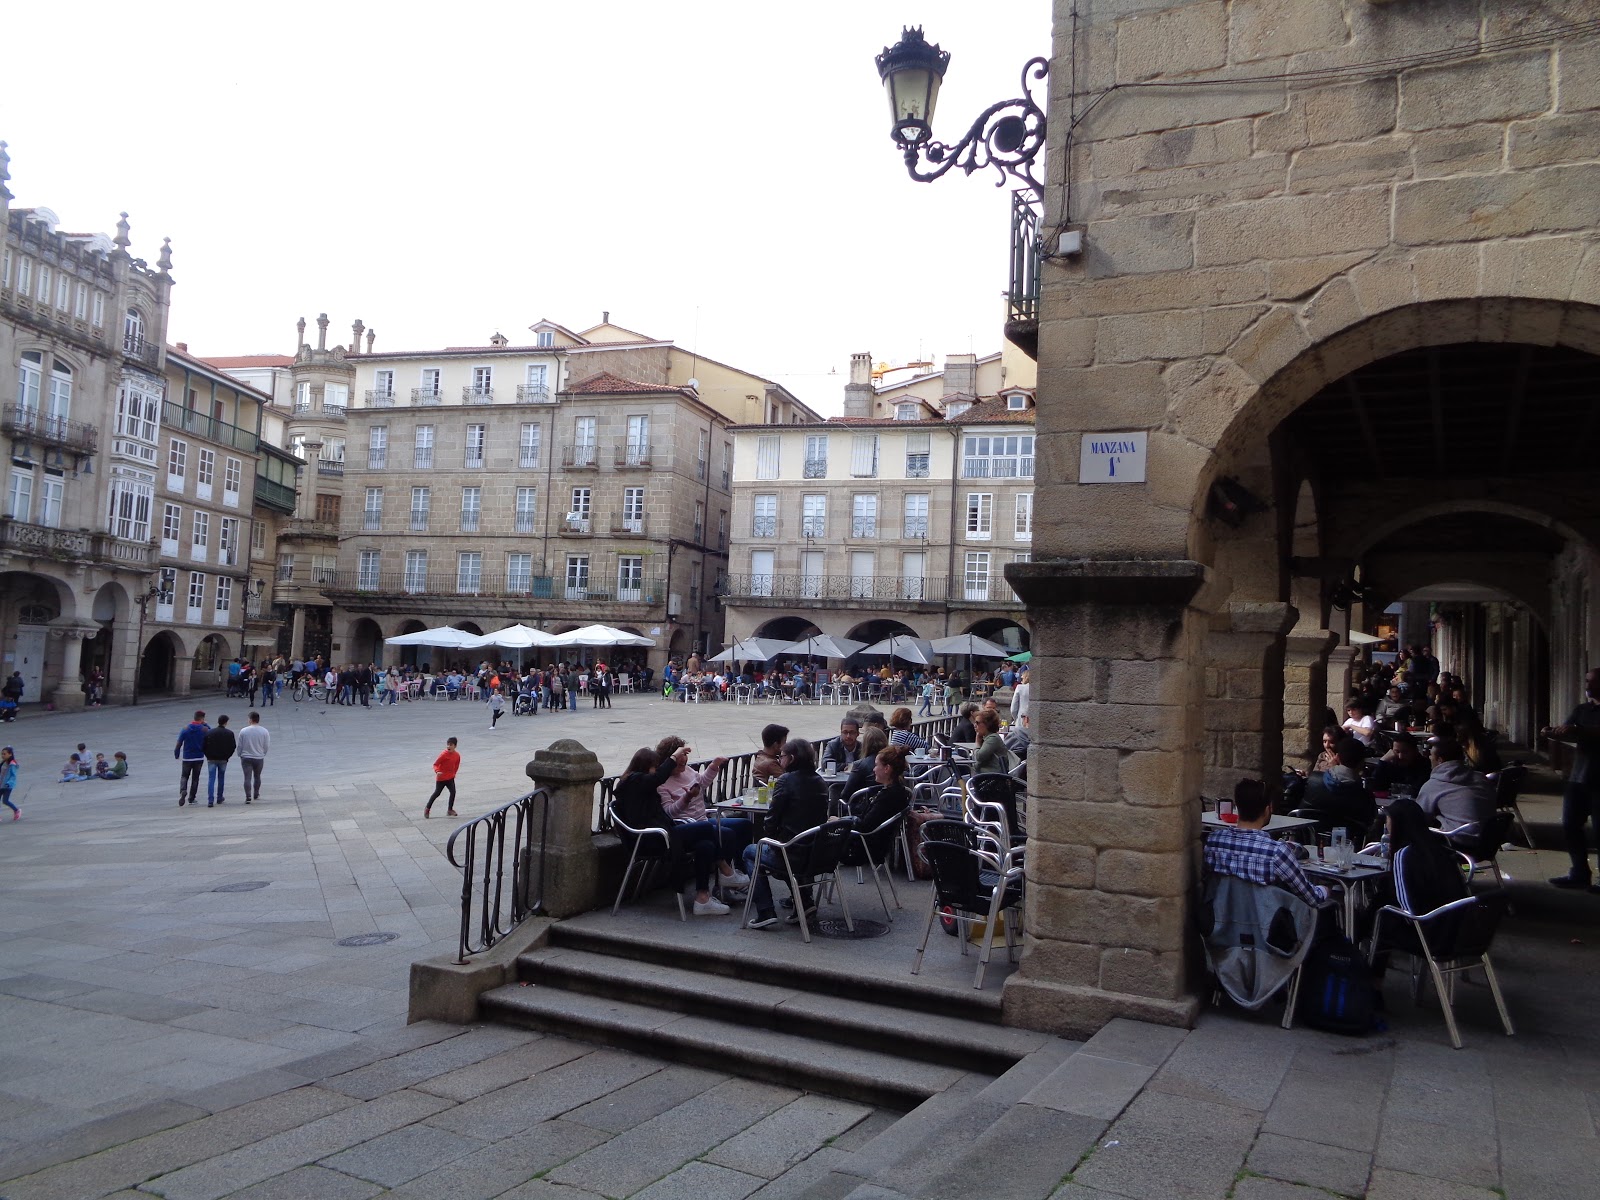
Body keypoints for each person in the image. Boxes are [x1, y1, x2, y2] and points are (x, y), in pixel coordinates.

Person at [613, 742, 745, 916]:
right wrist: (675, 758)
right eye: (655, 767)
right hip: (654, 839)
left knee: (705, 844)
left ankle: (703, 899)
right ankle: (726, 872)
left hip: (664, 832)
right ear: (645, 767)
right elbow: (658, 783)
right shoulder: (634, 782)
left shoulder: (640, 783)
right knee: (706, 828)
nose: (657, 771)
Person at [744, 738, 831, 929]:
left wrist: (769, 838)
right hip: (816, 854)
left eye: (781, 756)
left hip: (792, 854)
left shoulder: (786, 780)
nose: (779, 760)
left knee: (751, 852)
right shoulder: (820, 781)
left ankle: (765, 910)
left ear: (791, 758)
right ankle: (805, 902)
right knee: (785, 850)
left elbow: (771, 820)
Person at [1203, 779, 1330, 909]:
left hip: (1220, 917)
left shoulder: (1214, 841)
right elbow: (1312, 898)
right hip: (1266, 920)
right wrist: (1325, 889)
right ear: (1268, 809)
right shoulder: (1277, 852)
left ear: (1237, 808)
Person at [1545, 666, 1600, 891]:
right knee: (1570, 825)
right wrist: (1552, 732)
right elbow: (1569, 732)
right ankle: (1579, 872)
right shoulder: (1582, 709)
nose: (1588, 685)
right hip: (1579, 776)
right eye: (1587, 681)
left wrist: (1578, 730)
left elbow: (1587, 732)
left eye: (1593, 681)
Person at [1416, 737, 1495, 838]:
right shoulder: (1480, 778)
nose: (1430, 758)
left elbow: (1420, 817)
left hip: (1459, 839)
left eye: (1431, 755)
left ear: (1440, 760)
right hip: (1489, 837)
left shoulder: (1433, 786)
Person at [854, 744, 913, 828]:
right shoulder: (900, 790)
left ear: (887, 768)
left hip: (866, 836)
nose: (874, 769)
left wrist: (841, 821)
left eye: (876, 765)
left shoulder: (887, 797)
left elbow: (864, 826)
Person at [175, 711, 210, 807]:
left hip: (187, 757)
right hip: (199, 757)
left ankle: (183, 790)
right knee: (195, 778)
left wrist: (177, 753)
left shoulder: (186, 728)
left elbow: (179, 742)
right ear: (202, 718)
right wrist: (206, 724)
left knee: (184, 776)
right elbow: (211, 733)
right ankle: (191, 798)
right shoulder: (204, 729)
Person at [203, 715, 237, 807]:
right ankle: (219, 797)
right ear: (226, 722)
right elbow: (233, 746)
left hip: (211, 758)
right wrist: (227, 756)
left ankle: (210, 800)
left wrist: (208, 755)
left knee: (211, 779)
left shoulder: (210, 732)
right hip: (223, 759)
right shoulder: (229, 733)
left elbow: (204, 745)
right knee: (221, 778)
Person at [237, 712, 270, 804]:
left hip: (246, 757)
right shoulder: (264, 731)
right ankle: (256, 793)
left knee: (247, 777)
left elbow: (240, 745)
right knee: (257, 776)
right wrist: (263, 753)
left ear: (250, 720)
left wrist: (239, 754)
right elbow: (266, 745)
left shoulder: (244, 731)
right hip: (258, 757)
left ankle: (248, 796)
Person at [424, 737, 461, 818]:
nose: (448, 746)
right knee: (437, 793)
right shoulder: (443, 754)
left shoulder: (457, 755)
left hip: (450, 778)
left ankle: (450, 810)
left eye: (451, 745)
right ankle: (427, 808)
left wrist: (454, 773)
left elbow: (456, 765)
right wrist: (437, 771)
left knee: (453, 792)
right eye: (448, 744)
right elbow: (435, 764)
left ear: (455, 746)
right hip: (441, 778)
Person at [972, 708, 1013, 775]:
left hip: (992, 776)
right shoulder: (987, 737)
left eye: (977, 723)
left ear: (987, 724)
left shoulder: (993, 738)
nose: (975, 725)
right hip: (984, 774)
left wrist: (977, 742)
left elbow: (979, 757)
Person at [0, 747, 18, 819]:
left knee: (5, 801)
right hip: (1, 784)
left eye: (4, 754)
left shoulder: (12, 764)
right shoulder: (3, 763)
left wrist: (9, 783)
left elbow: (13, 776)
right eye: (2, 754)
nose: (3, 755)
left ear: (10, 754)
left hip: (7, 786)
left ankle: (16, 810)